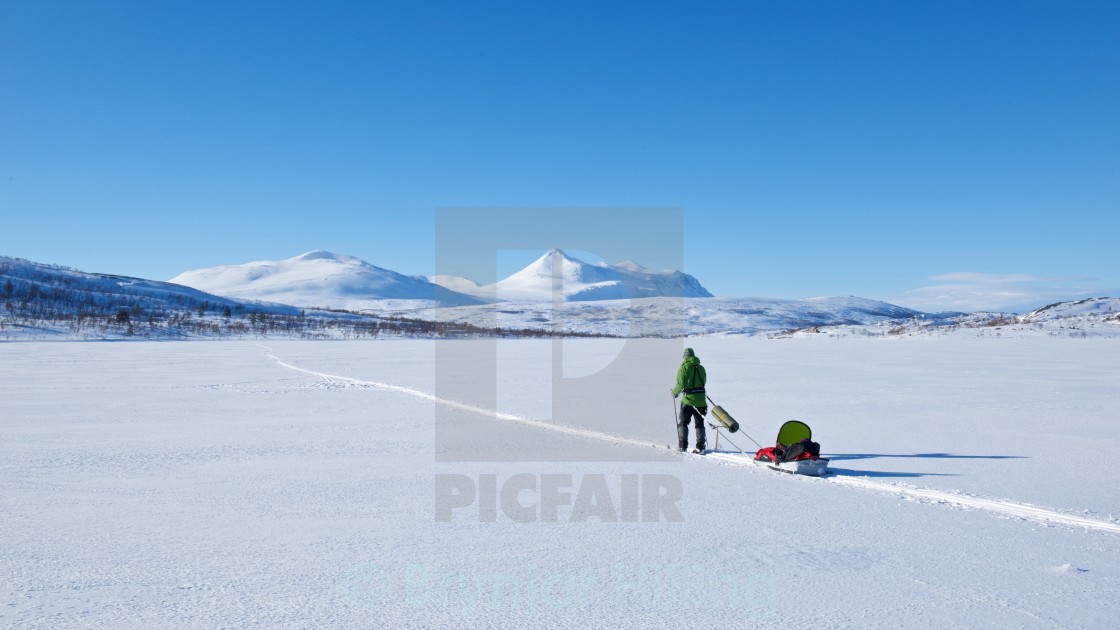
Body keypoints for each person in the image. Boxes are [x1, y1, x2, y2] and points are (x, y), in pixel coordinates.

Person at [671, 347, 707, 453]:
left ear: (685, 356)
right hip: (701, 400)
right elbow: (703, 382)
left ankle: (683, 446)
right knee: (700, 423)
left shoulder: (683, 368)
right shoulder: (701, 368)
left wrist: (674, 393)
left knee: (683, 422)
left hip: (688, 401)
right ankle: (701, 446)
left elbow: (680, 384)